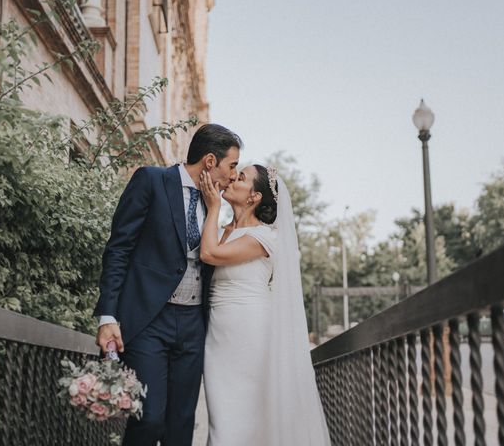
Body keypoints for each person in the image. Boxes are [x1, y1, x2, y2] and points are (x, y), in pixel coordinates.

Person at [93, 124, 242, 446]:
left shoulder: (213, 205)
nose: (234, 175)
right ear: (210, 161)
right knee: (148, 419)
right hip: (149, 320)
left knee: (181, 425)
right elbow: (119, 248)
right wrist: (107, 316)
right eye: (232, 166)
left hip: (193, 325)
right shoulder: (151, 180)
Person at [199, 165, 331, 446]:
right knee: (221, 418)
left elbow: (209, 254)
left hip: (249, 334)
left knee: (244, 419)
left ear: (255, 197)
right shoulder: (222, 231)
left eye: (242, 177)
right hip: (217, 335)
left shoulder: (264, 237)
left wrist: (212, 207)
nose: (233, 177)